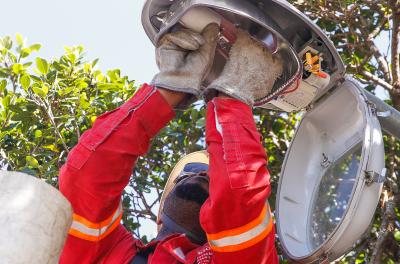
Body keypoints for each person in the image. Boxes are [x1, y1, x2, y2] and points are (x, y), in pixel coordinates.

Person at [59, 23, 284, 264]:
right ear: (160, 212)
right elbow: (85, 182)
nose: (202, 175)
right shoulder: (107, 256)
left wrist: (233, 94)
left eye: (211, 176)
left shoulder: (248, 256)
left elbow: (239, 200)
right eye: (190, 172)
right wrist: (168, 88)